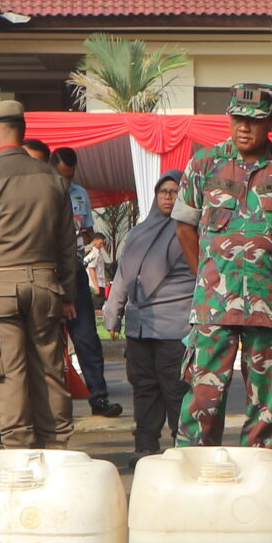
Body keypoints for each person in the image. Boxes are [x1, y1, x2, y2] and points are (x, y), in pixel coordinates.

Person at [173, 82, 272, 451]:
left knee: (268, 404)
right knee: (203, 398)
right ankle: (191, 473)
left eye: (254, 121)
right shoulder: (205, 163)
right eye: (237, 118)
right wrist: (204, 273)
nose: (243, 128)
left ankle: (263, 475)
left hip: (270, 305)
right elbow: (185, 225)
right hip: (214, 305)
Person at [0, 100, 79, 448]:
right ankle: (57, 449)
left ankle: (18, 449)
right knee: (49, 370)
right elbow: (67, 243)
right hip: (46, 285)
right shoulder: (54, 177)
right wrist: (67, 293)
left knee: (7, 372)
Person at [105, 173, 196, 457]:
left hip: (175, 326)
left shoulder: (194, 231)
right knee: (144, 391)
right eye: (163, 192)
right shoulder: (139, 232)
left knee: (175, 391)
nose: (168, 196)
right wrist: (113, 313)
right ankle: (145, 449)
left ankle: (182, 452)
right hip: (140, 327)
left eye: (174, 191)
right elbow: (123, 275)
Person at [50, 146, 119, 418]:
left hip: (76, 269)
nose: (66, 182)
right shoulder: (44, 193)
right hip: (50, 273)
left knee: (87, 338)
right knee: (49, 342)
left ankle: (99, 398)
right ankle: (54, 406)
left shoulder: (80, 193)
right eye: (61, 175)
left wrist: (87, 234)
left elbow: (88, 231)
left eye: (70, 175)